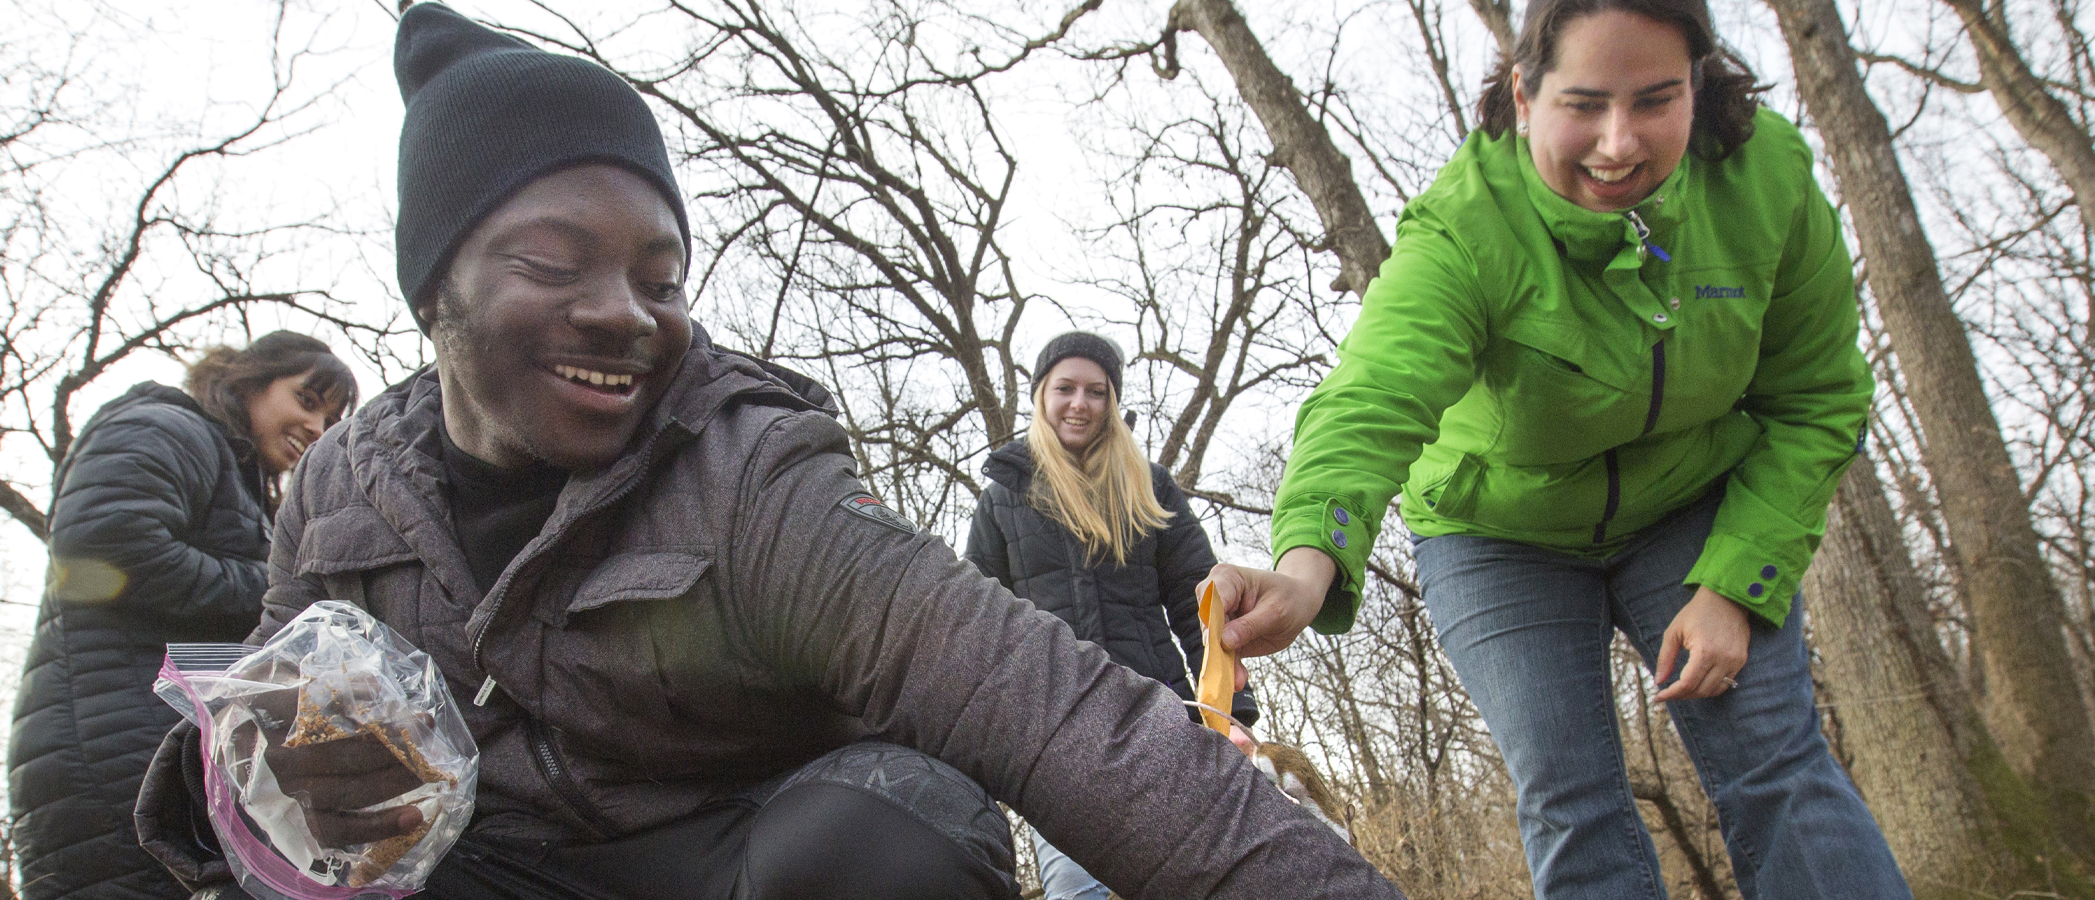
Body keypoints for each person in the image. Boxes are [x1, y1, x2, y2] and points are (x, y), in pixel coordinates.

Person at [132, 6, 1397, 900]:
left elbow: (1052, 712)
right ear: (433, 291)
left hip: (739, 856)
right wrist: (230, 787)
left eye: (658, 272)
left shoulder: (743, 476)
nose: (623, 312)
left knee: (887, 840)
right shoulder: (339, 490)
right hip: (501, 868)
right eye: (551, 263)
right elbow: (261, 716)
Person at [1202, 0, 1913, 897]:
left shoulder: (1763, 179)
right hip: (1497, 532)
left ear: (1699, 81)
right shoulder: (1465, 228)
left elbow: (1820, 397)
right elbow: (1370, 401)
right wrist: (1306, 569)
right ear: (1523, 93)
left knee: (1775, 759)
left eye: (1656, 99)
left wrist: (1736, 583)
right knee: (1568, 793)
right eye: (1584, 104)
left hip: (1694, 499)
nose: (1619, 144)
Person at [11, 331, 356, 900]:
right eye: (307, 400)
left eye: (332, 418)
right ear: (250, 379)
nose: (317, 430)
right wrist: (277, 596)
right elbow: (105, 547)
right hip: (111, 751)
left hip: (146, 748)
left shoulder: (236, 480)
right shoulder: (169, 424)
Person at [963, 331, 1260, 900]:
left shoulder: (1149, 488)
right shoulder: (1003, 498)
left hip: (1162, 717)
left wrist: (1233, 713)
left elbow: (1201, 605)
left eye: (1096, 392)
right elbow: (977, 624)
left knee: (1189, 880)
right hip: (1053, 734)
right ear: (1042, 397)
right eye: (1065, 388)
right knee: (1079, 891)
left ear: (1112, 402)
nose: (1080, 403)